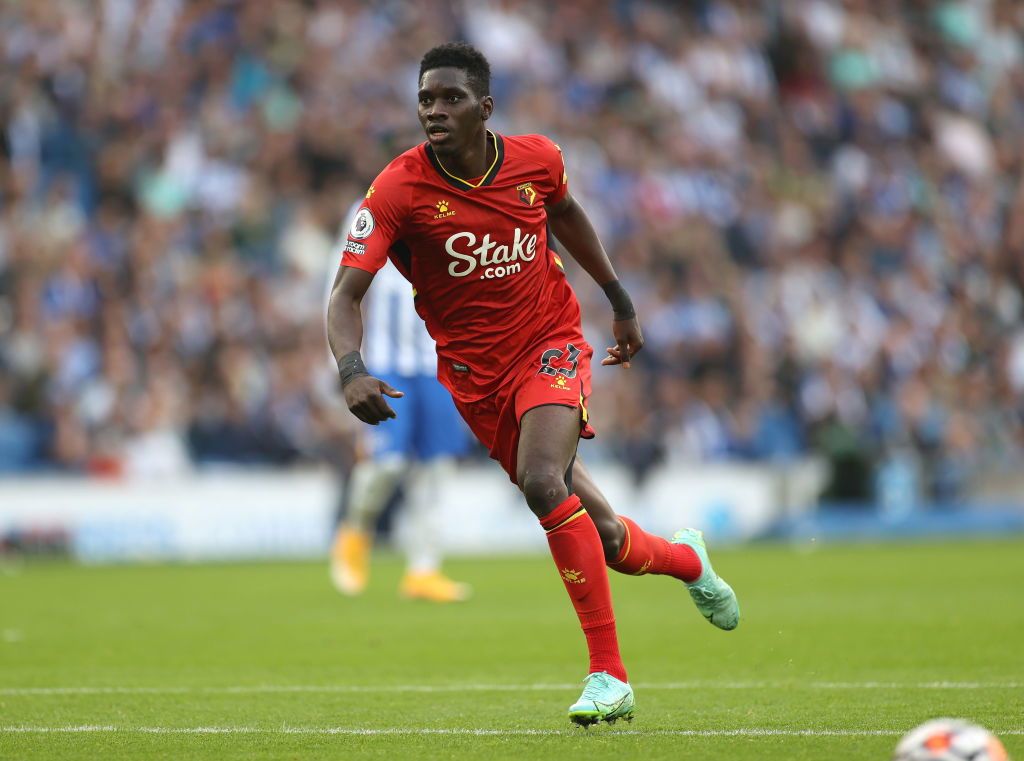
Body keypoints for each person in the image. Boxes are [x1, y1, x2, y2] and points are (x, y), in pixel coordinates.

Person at [327, 42, 740, 726]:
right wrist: (351, 368)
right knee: (606, 536)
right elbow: (345, 294)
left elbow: (568, 213)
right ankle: (688, 560)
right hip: (475, 379)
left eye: (450, 98)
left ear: (485, 108)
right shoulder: (399, 188)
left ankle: (609, 673)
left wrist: (620, 300)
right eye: (426, 98)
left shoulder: (536, 159)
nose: (435, 110)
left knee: (544, 482)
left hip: (550, 344)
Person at [328, 202, 472, 603]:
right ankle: (355, 531)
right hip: (388, 363)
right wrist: (343, 362)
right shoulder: (372, 209)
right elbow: (337, 287)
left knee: (437, 468)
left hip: (442, 362)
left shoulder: (460, 204)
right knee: (387, 464)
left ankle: (423, 570)